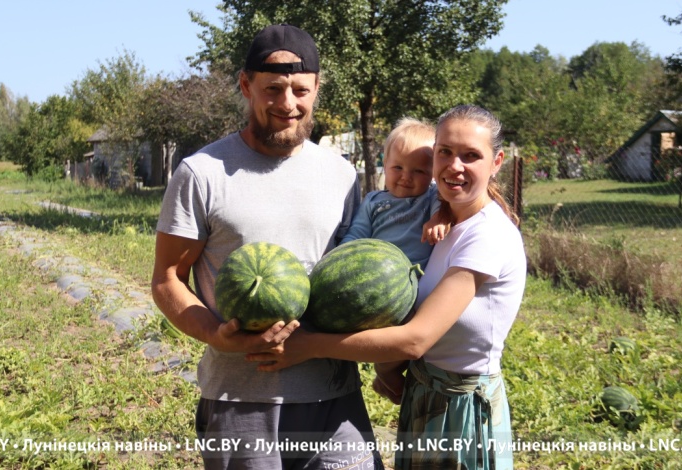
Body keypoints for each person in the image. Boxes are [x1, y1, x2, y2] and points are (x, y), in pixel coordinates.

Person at [151, 24, 383, 469]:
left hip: (335, 393)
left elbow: (360, 274)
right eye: (273, 89)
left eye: (300, 89)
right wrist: (216, 334)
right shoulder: (202, 173)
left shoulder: (341, 175)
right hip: (242, 397)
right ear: (246, 85)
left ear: (317, 88)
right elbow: (167, 281)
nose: (288, 104)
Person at [248, 104, 526, 470]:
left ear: (497, 161)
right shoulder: (447, 223)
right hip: (424, 392)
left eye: (471, 155)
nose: (454, 166)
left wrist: (309, 346)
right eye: (445, 152)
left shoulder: (486, 235)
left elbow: (415, 339)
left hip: (459, 408)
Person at [341, 117, 445, 270]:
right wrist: (340, 255)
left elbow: (441, 209)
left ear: (432, 173)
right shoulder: (373, 201)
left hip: (414, 278)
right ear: (385, 164)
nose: (406, 177)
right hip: (374, 271)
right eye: (398, 168)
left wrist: (437, 220)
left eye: (419, 171)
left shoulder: (430, 196)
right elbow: (357, 234)